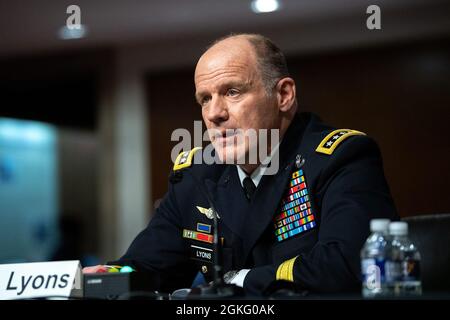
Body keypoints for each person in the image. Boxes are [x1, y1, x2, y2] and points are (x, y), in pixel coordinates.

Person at [84, 33, 398, 296]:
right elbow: (148, 268)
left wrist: (238, 281)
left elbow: (349, 264)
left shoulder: (340, 157)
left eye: (232, 92)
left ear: (284, 95)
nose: (214, 113)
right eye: (205, 99)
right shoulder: (194, 176)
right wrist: (98, 276)